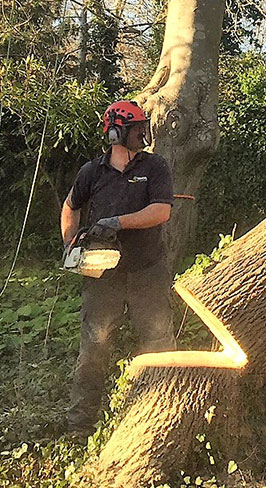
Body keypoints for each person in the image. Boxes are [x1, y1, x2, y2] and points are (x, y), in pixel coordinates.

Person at [61, 99, 176, 435]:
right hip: (104, 275)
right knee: (94, 348)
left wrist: (118, 222)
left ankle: (161, 417)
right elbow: (71, 208)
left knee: (158, 343)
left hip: (147, 270)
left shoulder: (155, 167)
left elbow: (161, 211)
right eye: (137, 128)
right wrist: (72, 243)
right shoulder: (91, 172)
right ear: (116, 132)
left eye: (143, 127)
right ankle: (80, 426)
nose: (143, 133)